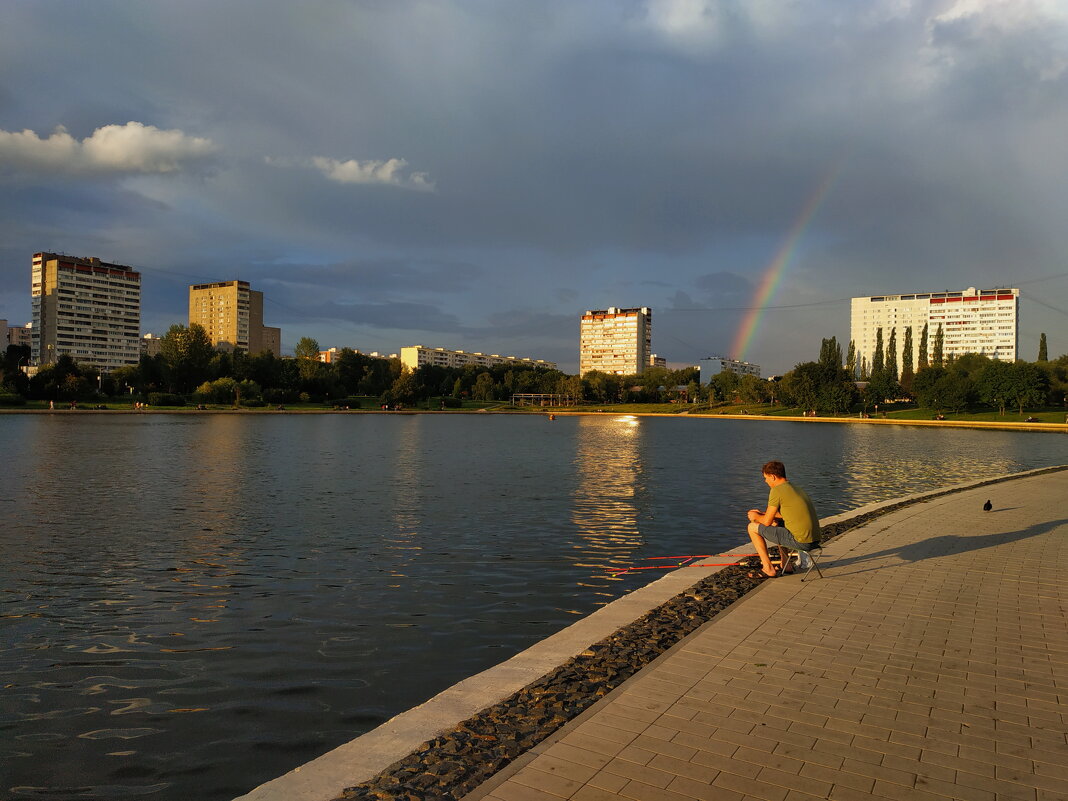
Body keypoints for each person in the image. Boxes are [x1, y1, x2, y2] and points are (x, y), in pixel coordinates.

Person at [746, 460, 821, 578]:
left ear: (773, 476)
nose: (765, 481)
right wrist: (763, 514)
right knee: (778, 523)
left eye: (766, 478)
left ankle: (768, 568)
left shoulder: (776, 490)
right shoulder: (796, 488)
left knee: (751, 527)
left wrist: (755, 516)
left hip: (801, 542)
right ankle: (787, 565)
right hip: (815, 540)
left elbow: (766, 522)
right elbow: (787, 514)